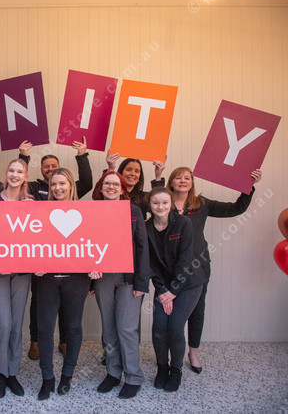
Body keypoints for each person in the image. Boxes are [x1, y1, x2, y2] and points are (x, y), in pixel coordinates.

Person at [166, 166, 262, 373]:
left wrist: (249, 186)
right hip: (170, 267)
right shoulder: (163, 202)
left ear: (192, 183)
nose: (182, 180)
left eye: (187, 178)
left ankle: (193, 352)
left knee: (197, 311)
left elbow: (235, 209)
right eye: (178, 177)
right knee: (169, 313)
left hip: (197, 267)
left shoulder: (201, 203)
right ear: (171, 182)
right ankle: (171, 353)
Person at [19, 139, 93, 360]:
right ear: (42, 170)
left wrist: (82, 155)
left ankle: (64, 341)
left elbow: (87, 182)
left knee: (67, 306)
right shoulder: (34, 188)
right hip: (43, 263)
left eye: (53, 166)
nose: (50, 169)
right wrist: (23, 157)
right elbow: (20, 183)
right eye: (46, 167)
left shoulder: (70, 191)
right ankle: (35, 341)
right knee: (39, 303)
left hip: (70, 264)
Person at [90, 171, 151, 399]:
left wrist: (142, 282)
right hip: (103, 277)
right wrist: (89, 274)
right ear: (101, 187)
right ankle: (113, 373)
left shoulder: (133, 211)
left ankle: (133, 376)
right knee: (108, 328)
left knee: (126, 328)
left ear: (123, 189)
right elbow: (86, 243)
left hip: (129, 278)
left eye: (116, 184)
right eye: (107, 183)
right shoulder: (92, 211)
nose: (111, 187)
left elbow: (143, 247)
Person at [35, 168, 91, 400]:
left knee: (73, 327)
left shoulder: (86, 211)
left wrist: (96, 264)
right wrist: (34, 263)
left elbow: (94, 242)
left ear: (71, 185)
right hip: (47, 280)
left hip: (76, 280)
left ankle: (67, 376)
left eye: (62, 183)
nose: (57, 188)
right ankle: (47, 378)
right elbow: (31, 243)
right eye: (53, 184)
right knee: (45, 328)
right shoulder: (40, 212)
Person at [145, 186, 205, 392]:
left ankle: (176, 370)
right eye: (156, 203)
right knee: (159, 328)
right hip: (163, 285)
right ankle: (162, 368)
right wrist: (162, 290)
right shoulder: (146, 227)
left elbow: (186, 259)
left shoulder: (183, 223)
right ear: (150, 205)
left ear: (171, 204)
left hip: (188, 283)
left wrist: (174, 290)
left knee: (175, 326)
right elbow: (150, 263)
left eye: (164, 202)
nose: (160, 207)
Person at [0, 159, 34, 399]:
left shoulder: (31, 204)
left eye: (19, 171)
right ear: (6, 173)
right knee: (2, 323)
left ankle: (12, 373)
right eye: (11, 170)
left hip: (22, 272)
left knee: (16, 324)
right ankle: (0, 373)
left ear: (25, 176)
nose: (15, 174)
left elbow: (38, 238)